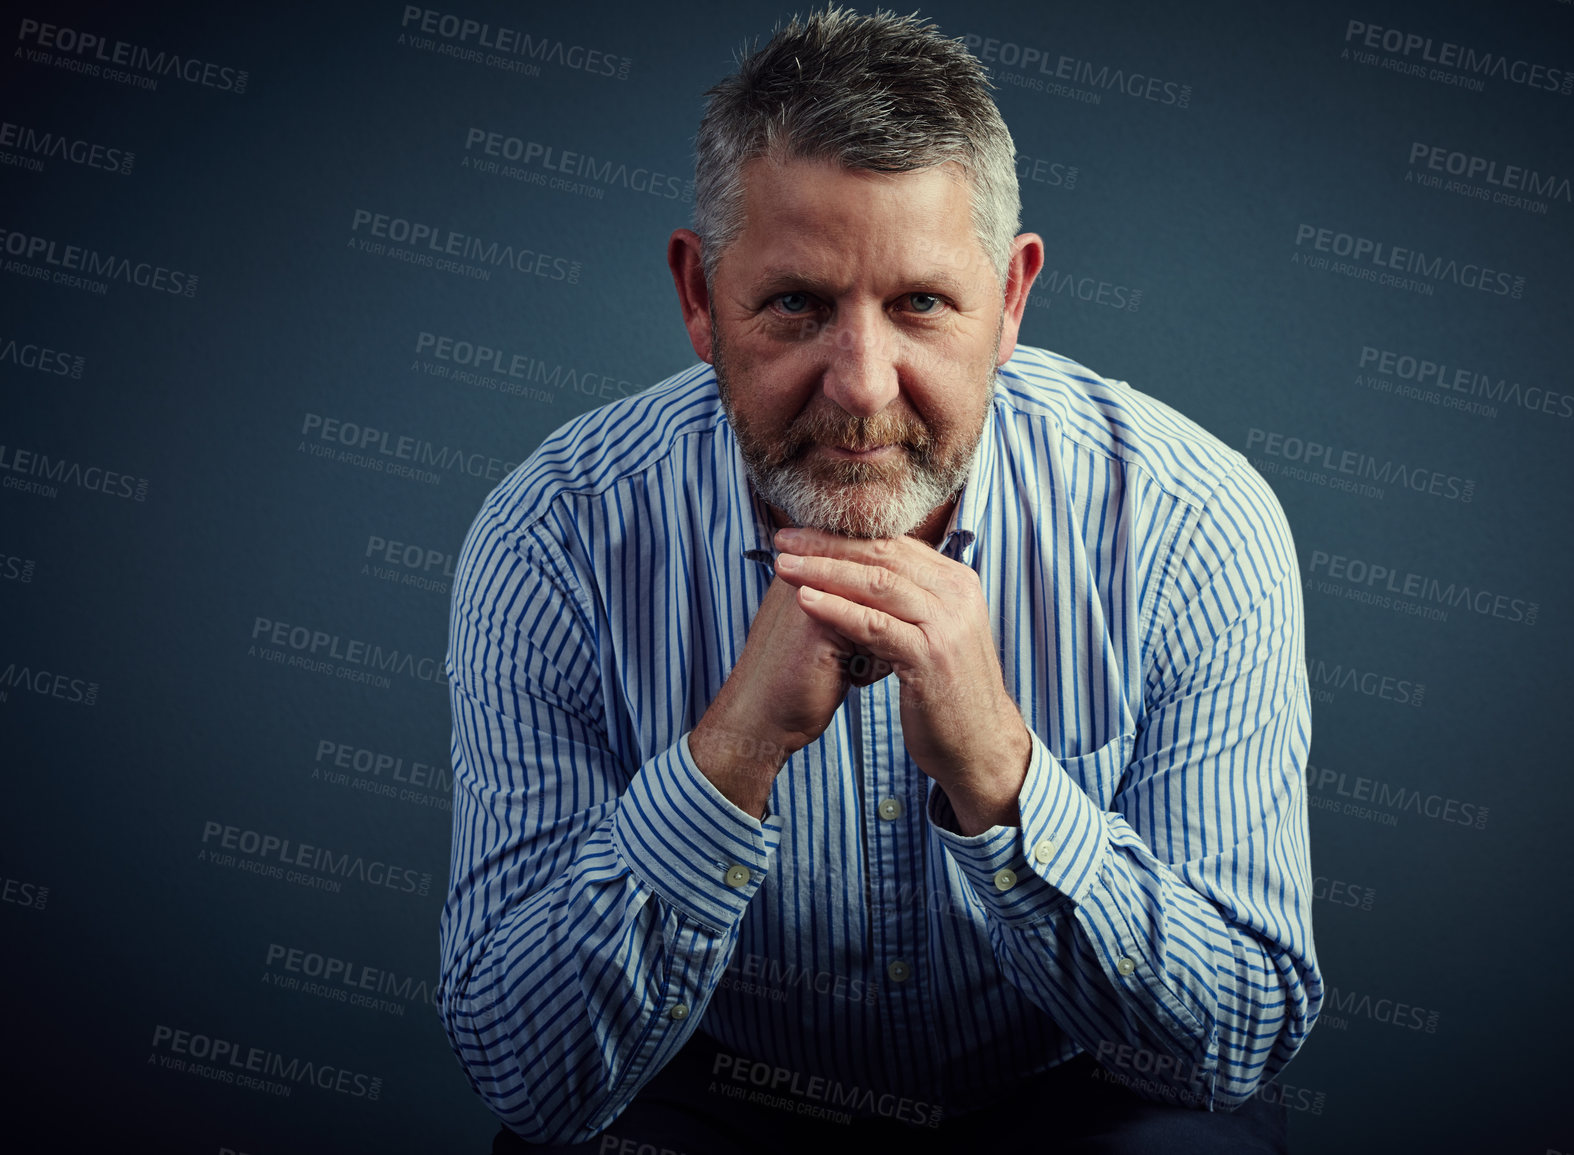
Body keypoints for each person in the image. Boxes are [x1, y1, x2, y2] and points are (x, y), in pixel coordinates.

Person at [438, 7, 1322, 1152]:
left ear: (1009, 299)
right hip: (717, 1103)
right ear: (699, 296)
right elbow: (526, 1076)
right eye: (797, 303)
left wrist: (1002, 778)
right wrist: (731, 755)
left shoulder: (1192, 523)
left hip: (1068, 1100)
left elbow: (1237, 1036)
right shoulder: (553, 538)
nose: (861, 386)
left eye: (920, 304)